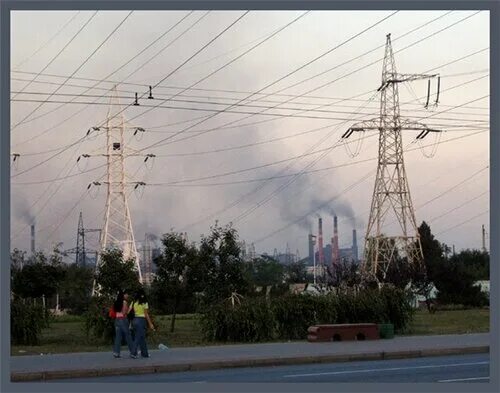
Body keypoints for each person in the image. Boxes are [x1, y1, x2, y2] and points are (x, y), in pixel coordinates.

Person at [130, 288, 155, 358]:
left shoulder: (133, 302)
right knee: (138, 337)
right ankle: (133, 353)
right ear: (143, 295)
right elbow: (146, 314)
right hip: (141, 321)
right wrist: (150, 324)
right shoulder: (144, 302)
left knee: (142, 337)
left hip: (134, 320)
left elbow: (129, 312)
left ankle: (145, 354)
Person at [112, 289, 134, 358]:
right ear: (123, 295)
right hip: (123, 320)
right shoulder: (124, 302)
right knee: (128, 336)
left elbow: (115, 312)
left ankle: (116, 353)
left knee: (118, 337)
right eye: (126, 294)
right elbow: (125, 313)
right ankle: (133, 352)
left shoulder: (116, 302)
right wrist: (129, 309)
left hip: (117, 320)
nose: (127, 295)